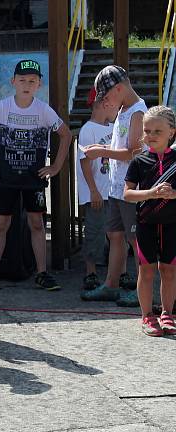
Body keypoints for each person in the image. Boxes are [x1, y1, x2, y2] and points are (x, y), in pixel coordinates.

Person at [0, 59, 72, 292]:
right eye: (22, 80)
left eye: (32, 81)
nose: (27, 84)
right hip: (7, 177)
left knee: (37, 223)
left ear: (39, 84)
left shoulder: (43, 109)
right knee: (1, 223)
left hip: (34, 178)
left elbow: (66, 135)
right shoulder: (2, 107)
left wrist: (55, 167)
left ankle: (42, 272)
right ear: (13, 82)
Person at [82, 65, 147, 307]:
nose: (106, 101)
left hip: (131, 189)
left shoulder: (138, 113)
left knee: (135, 239)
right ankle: (111, 284)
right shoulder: (123, 109)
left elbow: (133, 152)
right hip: (116, 188)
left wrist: (101, 151)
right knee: (115, 235)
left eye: (107, 96)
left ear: (119, 88)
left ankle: (144, 288)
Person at [121, 106, 176, 336]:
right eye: (147, 131)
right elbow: (127, 194)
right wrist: (151, 193)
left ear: (172, 132)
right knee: (147, 271)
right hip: (145, 223)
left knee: (169, 270)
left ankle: (168, 313)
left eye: (157, 131)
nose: (150, 136)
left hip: (172, 224)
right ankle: (146, 315)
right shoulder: (139, 161)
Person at [76, 88, 116, 291]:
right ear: (104, 103)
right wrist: (93, 190)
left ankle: (118, 272)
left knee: (117, 234)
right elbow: (84, 163)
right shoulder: (88, 130)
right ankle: (90, 272)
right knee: (95, 231)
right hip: (97, 192)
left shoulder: (113, 127)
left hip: (112, 191)